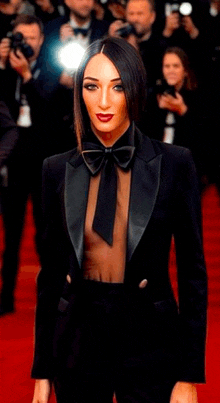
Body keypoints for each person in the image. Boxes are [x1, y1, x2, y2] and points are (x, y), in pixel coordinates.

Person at [31, 37, 207, 403]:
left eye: (118, 87)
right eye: (92, 87)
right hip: (77, 342)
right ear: (80, 92)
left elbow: (193, 276)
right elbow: (49, 279)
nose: (104, 102)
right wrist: (42, 370)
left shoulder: (175, 164)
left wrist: (189, 375)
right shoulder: (54, 170)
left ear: (136, 88)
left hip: (150, 341)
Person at [0, 14, 74, 316]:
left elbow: (50, 120)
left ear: (41, 40)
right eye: (22, 37)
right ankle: (6, 296)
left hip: (44, 165)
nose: (27, 43)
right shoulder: (4, 69)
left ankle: (52, 294)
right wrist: (4, 66)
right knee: (11, 235)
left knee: (46, 234)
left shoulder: (52, 70)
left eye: (32, 37)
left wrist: (27, 76)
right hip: (13, 164)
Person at [141, 46, 207, 188]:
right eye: (167, 66)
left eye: (176, 66)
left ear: (185, 71)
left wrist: (182, 111)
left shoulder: (197, 97)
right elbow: (146, 134)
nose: (171, 70)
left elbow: (203, 139)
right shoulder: (155, 95)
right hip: (158, 163)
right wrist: (158, 110)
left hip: (187, 165)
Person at [108, 0, 167, 90]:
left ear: (152, 17)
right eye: (131, 14)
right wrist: (112, 43)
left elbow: (147, 81)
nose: (135, 19)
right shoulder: (120, 39)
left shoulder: (161, 46)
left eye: (140, 14)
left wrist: (133, 50)